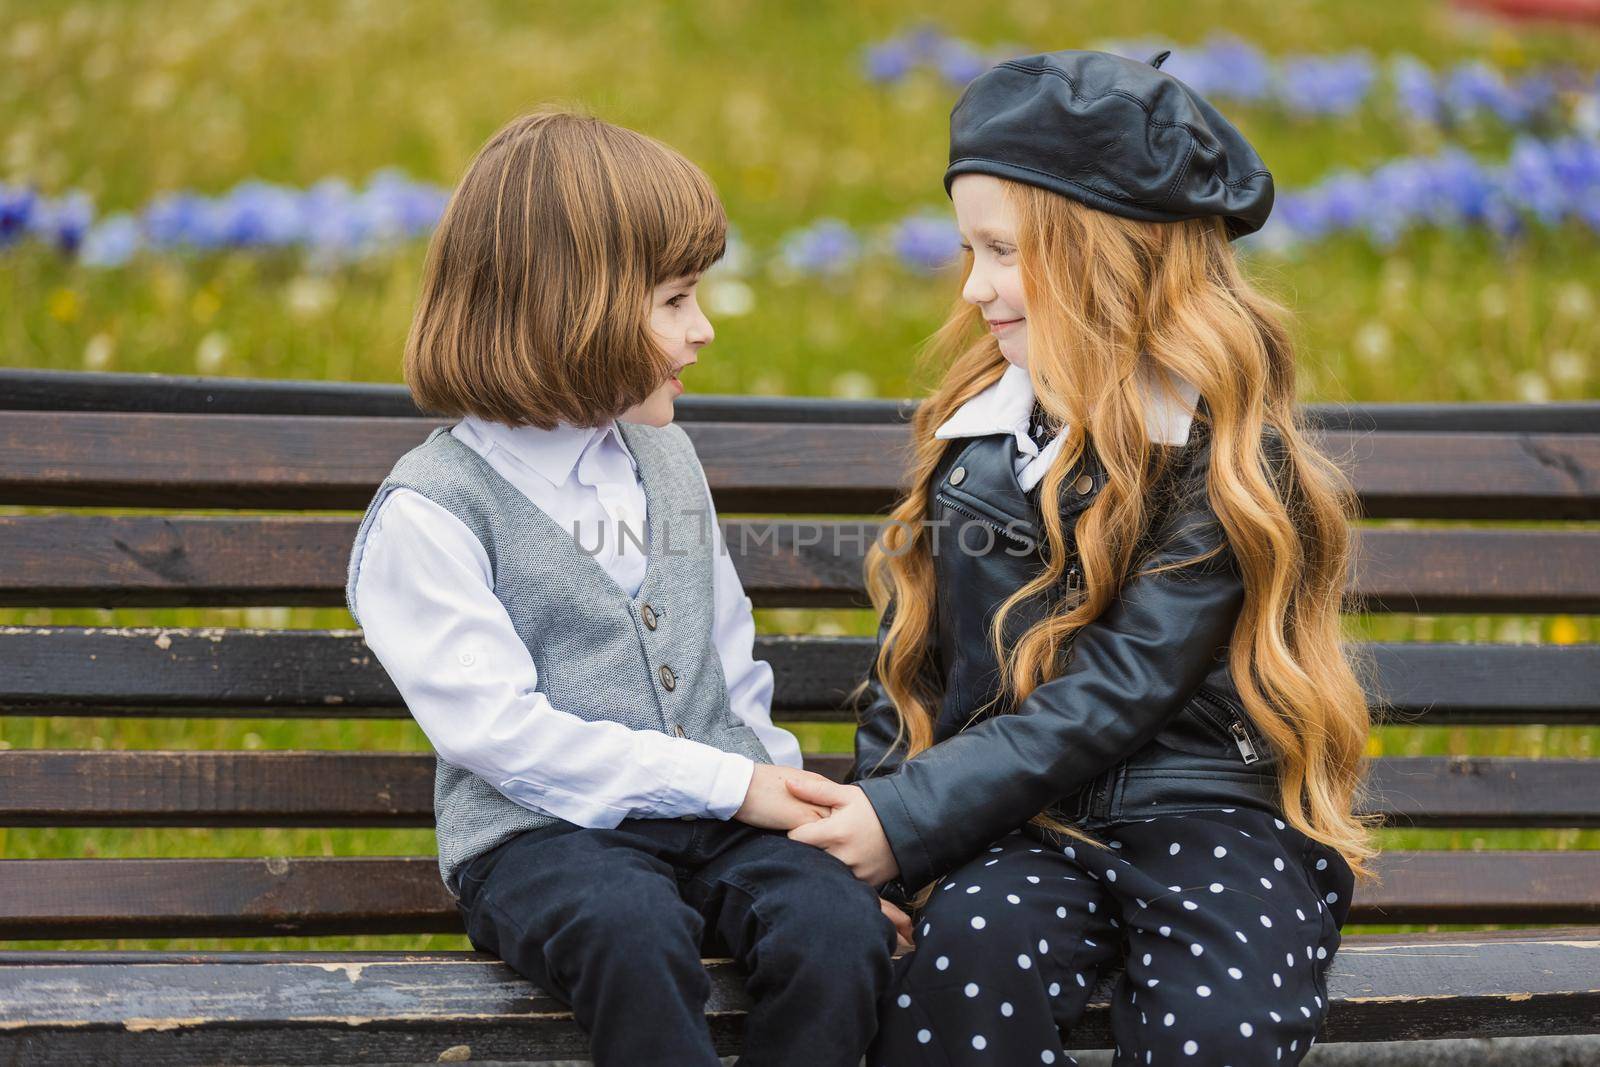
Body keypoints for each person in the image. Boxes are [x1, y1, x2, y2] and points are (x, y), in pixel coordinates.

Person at [782, 50, 1378, 1065]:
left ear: (1109, 254)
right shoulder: (979, 438)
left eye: (1003, 251)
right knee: (961, 966)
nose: (974, 287)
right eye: (969, 250)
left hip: (1210, 820)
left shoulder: (1223, 458)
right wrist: (880, 845)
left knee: (1217, 1029)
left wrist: (907, 815)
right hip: (1021, 827)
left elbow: (1118, 686)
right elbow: (915, 663)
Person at [345, 109, 897, 1067]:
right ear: (573, 308)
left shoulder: (666, 460)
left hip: (713, 821)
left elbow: (727, 664)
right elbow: (499, 735)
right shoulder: (432, 511)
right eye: (676, 300)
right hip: (541, 837)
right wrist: (737, 785)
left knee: (835, 926)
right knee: (631, 928)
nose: (705, 328)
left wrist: (808, 828)